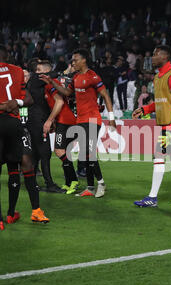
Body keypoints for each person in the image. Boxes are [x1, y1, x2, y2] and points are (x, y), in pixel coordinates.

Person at [0, 44, 46, 231]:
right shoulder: (17, 72)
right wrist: (11, 104)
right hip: (14, 124)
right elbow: (26, 98)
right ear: (8, 55)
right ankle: (11, 213)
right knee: (14, 168)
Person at [41, 48, 116, 198]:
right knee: (84, 155)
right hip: (80, 120)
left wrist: (112, 118)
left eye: (75, 60)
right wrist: (52, 83)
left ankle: (101, 183)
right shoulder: (75, 77)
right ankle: (89, 187)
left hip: (93, 119)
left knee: (89, 153)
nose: (72, 62)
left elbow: (105, 95)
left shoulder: (92, 76)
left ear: (84, 60)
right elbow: (67, 93)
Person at [132, 45, 171, 207]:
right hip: (167, 125)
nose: (152, 57)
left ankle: (152, 198)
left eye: (155, 54)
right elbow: (160, 103)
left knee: (159, 157)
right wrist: (144, 109)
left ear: (165, 57)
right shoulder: (159, 77)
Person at [39, 61, 79, 195]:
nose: (36, 72)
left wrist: (50, 121)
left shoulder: (50, 83)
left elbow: (60, 102)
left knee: (59, 151)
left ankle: (73, 180)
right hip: (65, 120)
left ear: (45, 71)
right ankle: (69, 182)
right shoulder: (52, 83)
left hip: (65, 120)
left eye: (39, 70)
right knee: (62, 152)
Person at [26, 58, 64, 193]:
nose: (36, 72)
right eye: (36, 71)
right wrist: (61, 72)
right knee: (45, 152)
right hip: (37, 121)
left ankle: (32, 183)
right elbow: (52, 75)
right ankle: (49, 184)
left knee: (36, 154)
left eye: (39, 70)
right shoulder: (36, 80)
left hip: (36, 120)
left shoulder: (39, 83)